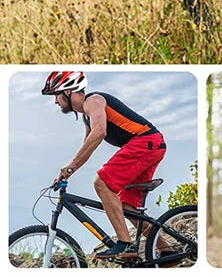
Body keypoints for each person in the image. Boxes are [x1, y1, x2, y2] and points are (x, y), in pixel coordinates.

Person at [43, 70, 167, 260]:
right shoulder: (86, 116)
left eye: (56, 95)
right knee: (127, 207)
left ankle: (125, 245)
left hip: (145, 142)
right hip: (151, 145)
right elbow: (87, 148)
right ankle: (168, 250)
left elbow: (99, 132)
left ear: (68, 92)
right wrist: (68, 173)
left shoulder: (93, 101)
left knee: (101, 183)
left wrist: (70, 167)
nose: (55, 102)